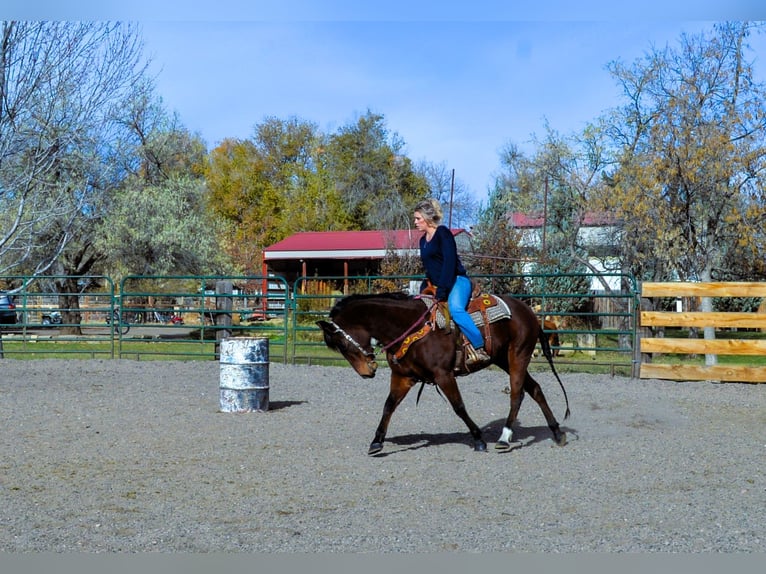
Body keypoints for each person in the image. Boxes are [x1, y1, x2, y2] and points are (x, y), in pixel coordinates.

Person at [413, 198, 491, 367]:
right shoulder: (422, 241)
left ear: (427, 218)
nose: (416, 222)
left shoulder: (443, 233)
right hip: (435, 284)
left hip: (457, 280)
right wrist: (423, 288)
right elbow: (429, 267)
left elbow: (449, 262)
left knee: (455, 309)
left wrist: (443, 289)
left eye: (418, 218)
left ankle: (479, 347)